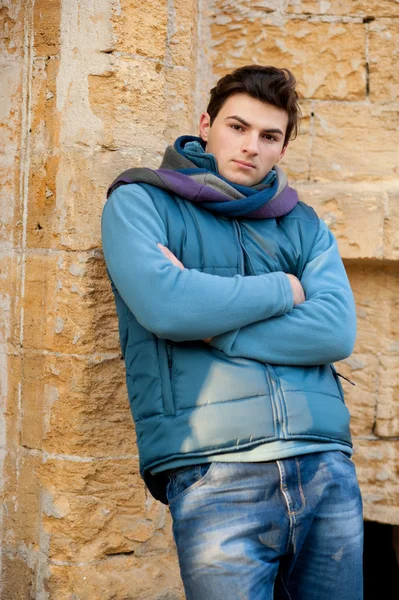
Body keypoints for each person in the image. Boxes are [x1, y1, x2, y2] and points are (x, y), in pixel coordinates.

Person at [101, 65, 363, 600]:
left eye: (269, 136)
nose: (251, 147)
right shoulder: (141, 202)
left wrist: (218, 331)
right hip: (216, 471)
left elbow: (335, 330)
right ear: (206, 124)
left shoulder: (302, 223)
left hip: (324, 467)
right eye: (237, 127)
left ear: (283, 148)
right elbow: (167, 307)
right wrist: (283, 290)